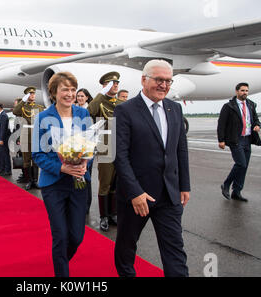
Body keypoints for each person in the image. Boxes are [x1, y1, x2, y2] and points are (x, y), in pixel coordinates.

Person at [113, 59, 190, 277]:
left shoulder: (174, 109)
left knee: (175, 250)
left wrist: (184, 185)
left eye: (168, 81)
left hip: (169, 195)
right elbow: (120, 155)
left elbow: (180, 151)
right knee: (127, 246)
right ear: (144, 80)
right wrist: (135, 192)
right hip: (137, 196)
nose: (164, 85)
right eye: (159, 80)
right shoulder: (124, 110)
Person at [32, 72, 92, 277]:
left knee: (76, 236)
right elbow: (37, 155)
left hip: (79, 181)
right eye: (65, 89)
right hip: (54, 184)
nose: (70, 94)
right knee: (60, 236)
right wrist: (61, 168)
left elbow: (90, 145)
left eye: (73, 90)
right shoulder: (42, 117)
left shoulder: (83, 114)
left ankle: (60, 261)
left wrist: (85, 161)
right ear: (54, 92)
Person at [87, 71, 125, 231]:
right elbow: (89, 111)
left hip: (121, 148)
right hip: (105, 147)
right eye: (112, 83)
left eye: (117, 83)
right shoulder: (100, 102)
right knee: (105, 183)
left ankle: (113, 214)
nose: (116, 85)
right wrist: (101, 93)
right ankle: (103, 216)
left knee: (116, 183)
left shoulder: (121, 104)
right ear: (105, 85)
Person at [217, 82, 261, 202]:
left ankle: (237, 191)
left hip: (247, 139)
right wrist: (221, 140)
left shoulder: (251, 105)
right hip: (235, 139)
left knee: (244, 167)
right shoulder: (228, 106)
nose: (245, 93)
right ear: (237, 91)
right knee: (241, 164)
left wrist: (257, 125)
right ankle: (226, 184)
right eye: (242, 90)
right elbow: (221, 124)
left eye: (246, 91)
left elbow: (256, 119)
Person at [13, 86, 45, 190]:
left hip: (36, 134)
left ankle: (35, 181)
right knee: (26, 159)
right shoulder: (22, 107)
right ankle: (29, 181)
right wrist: (23, 100)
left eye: (33, 94)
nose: (32, 95)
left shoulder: (39, 107)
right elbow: (15, 112)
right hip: (25, 135)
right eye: (30, 94)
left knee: (35, 159)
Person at [75, 88, 94, 214]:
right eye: (78, 96)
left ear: (87, 97)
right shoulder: (74, 109)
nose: (80, 98)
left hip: (87, 147)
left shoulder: (90, 110)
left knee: (86, 177)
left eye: (82, 96)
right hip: (74, 146)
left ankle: (86, 205)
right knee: (77, 177)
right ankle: (79, 203)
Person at [0, 103, 12, 176]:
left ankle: (7, 170)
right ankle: (2, 168)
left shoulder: (3, 115)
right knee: (1, 154)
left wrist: (1, 139)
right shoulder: (0, 115)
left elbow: (3, 129)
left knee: (5, 154)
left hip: (4, 139)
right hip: (1, 138)